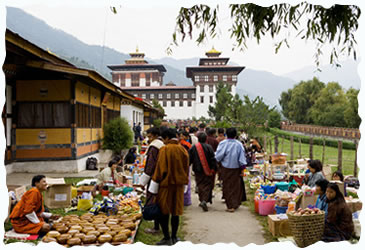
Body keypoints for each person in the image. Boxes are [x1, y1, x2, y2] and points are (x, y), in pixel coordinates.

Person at [148, 128, 189, 245]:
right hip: (179, 186)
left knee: (164, 211)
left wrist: (155, 183)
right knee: (176, 211)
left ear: (166, 138)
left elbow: (160, 169)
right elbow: (186, 168)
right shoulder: (183, 150)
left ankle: (167, 237)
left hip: (166, 186)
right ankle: (175, 237)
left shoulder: (164, 150)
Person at [215, 128, 247, 212]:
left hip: (225, 168)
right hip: (236, 168)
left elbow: (218, 156)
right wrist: (242, 169)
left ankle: (230, 205)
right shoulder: (239, 144)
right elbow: (242, 158)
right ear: (236, 135)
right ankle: (235, 203)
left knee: (227, 186)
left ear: (226, 134)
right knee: (235, 187)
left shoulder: (222, 144)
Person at [140, 127, 165, 234]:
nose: (148, 139)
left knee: (154, 202)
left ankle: (156, 227)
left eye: (150, 136)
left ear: (155, 136)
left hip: (154, 178)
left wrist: (143, 181)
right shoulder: (161, 144)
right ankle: (158, 226)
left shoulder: (154, 147)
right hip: (160, 176)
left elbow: (150, 165)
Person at [189, 132, 217, 211]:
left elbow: (190, 159)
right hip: (207, 170)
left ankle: (202, 200)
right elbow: (212, 159)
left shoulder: (193, 147)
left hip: (197, 169)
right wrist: (214, 168)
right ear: (206, 139)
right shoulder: (209, 147)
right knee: (207, 185)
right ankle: (204, 200)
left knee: (200, 184)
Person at [179, 130, 192, 207]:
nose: (181, 137)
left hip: (182, 164)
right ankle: (186, 200)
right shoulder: (187, 144)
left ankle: (183, 199)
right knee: (186, 181)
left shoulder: (183, 144)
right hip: (186, 164)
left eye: (182, 136)